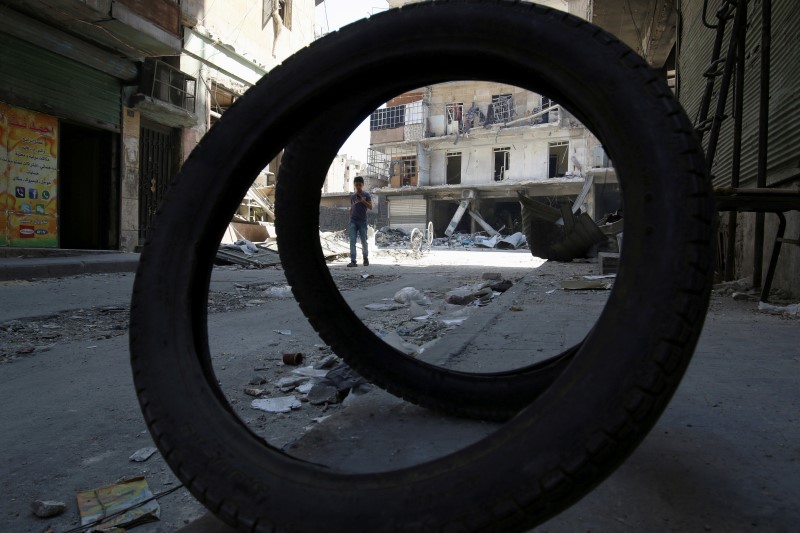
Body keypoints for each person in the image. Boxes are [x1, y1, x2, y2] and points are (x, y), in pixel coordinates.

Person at [348, 176, 373, 267]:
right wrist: (350, 214)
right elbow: (352, 207)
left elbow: (370, 207)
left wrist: (362, 201)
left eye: (360, 185)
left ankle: (365, 258)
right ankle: (353, 261)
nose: (358, 186)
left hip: (362, 221)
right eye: (356, 185)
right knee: (352, 240)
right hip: (353, 221)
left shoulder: (366, 195)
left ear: (363, 185)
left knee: (363, 241)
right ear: (354, 185)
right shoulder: (352, 197)